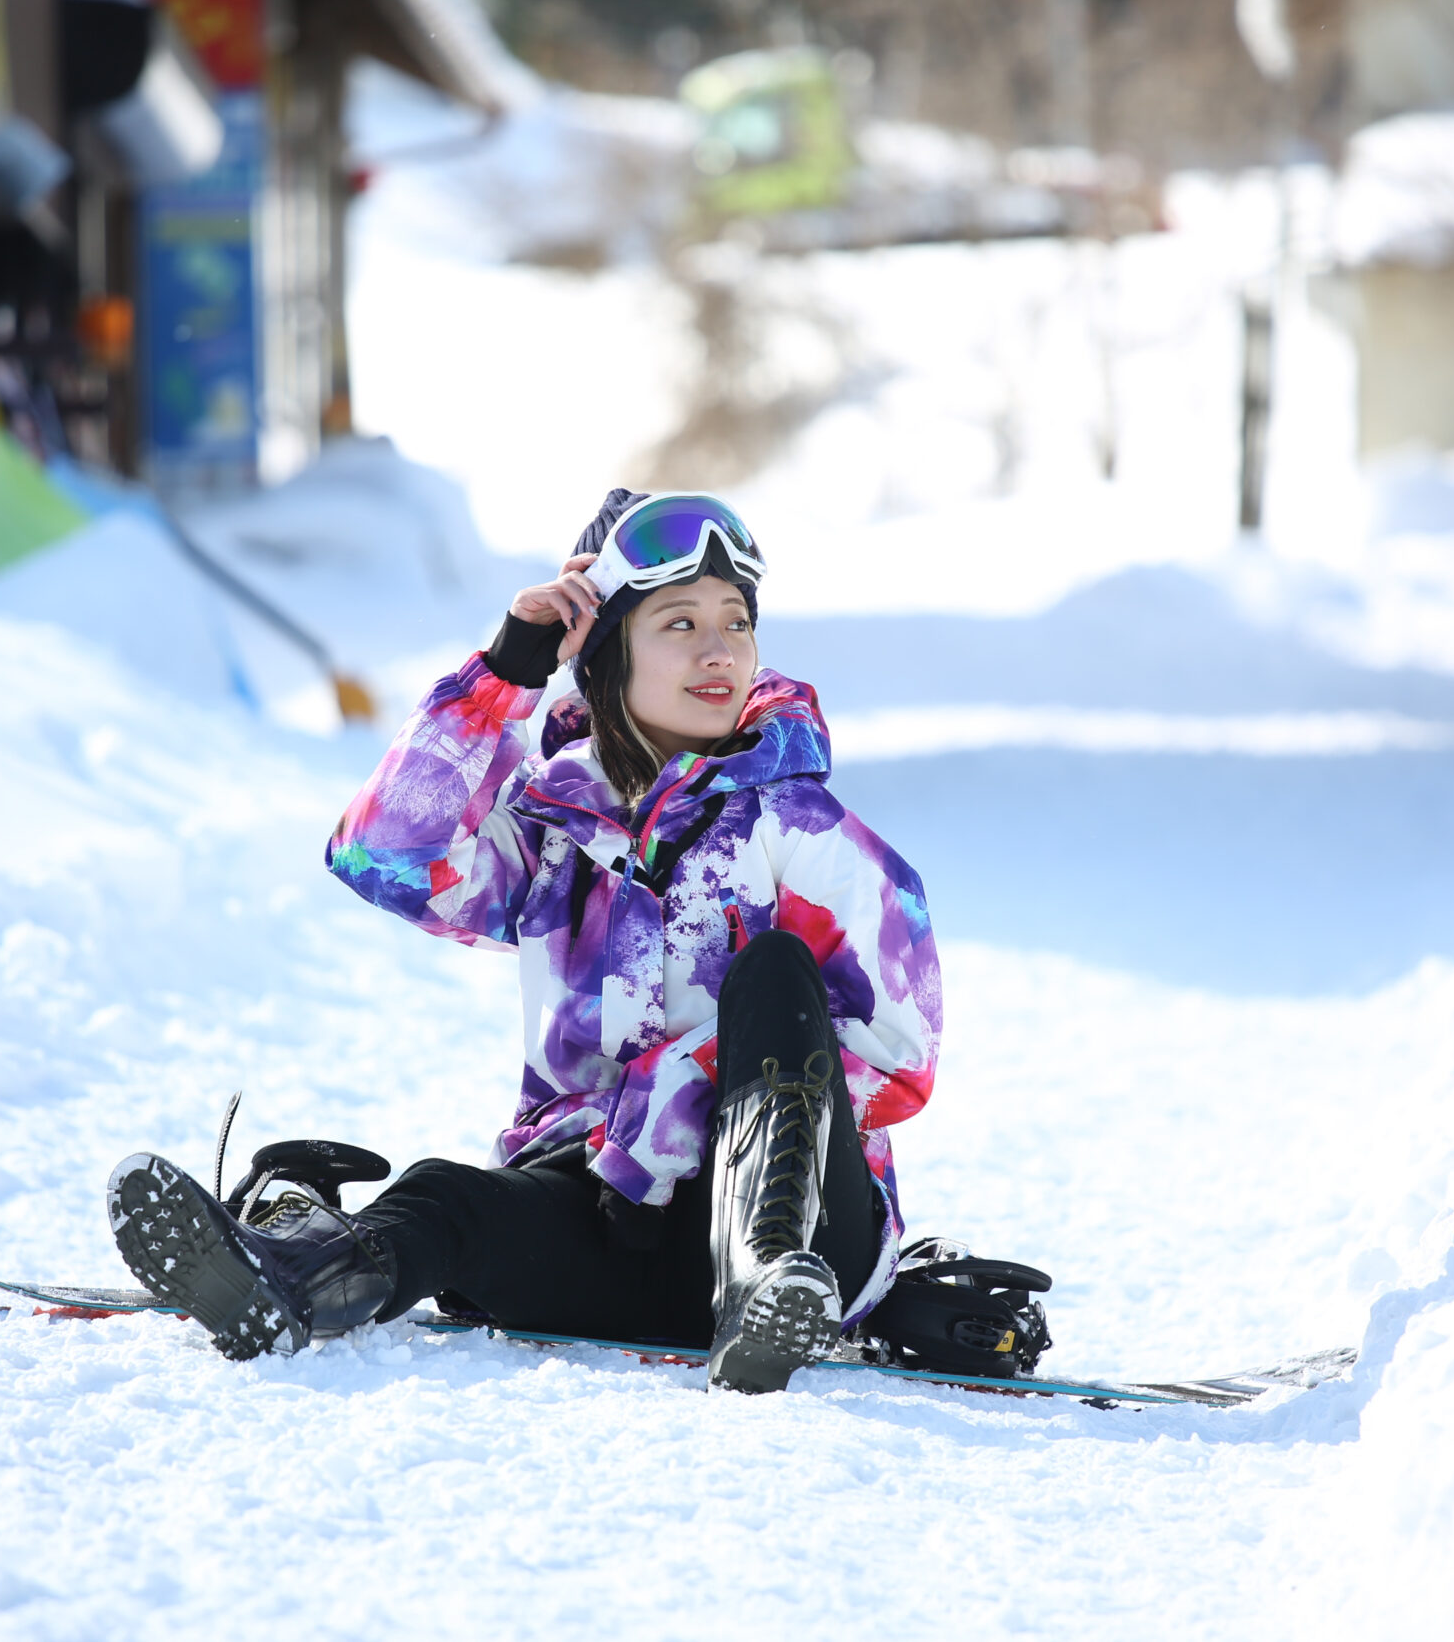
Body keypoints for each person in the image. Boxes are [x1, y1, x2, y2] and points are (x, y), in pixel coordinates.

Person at [105, 490, 941, 1393]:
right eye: (681, 622)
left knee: (775, 976)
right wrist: (505, 671)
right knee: (444, 1196)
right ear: (608, 648)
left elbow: (899, 1056)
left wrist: (667, 1098)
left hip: (806, 1236)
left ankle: (760, 1287)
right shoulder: (554, 828)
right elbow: (384, 854)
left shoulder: (800, 821)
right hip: (614, 1227)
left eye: (737, 621)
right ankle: (286, 1281)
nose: (719, 649)